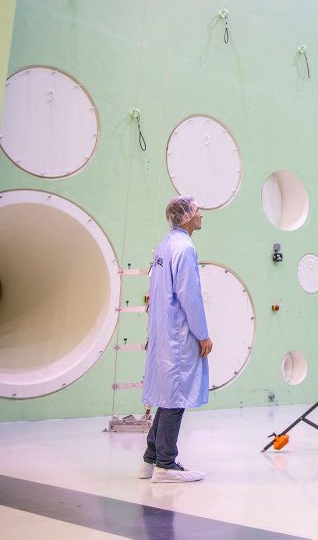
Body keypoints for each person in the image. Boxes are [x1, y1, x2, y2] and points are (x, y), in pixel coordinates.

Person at [139, 195, 213, 483]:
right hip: (178, 335)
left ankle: (150, 459)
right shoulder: (185, 248)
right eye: (197, 211)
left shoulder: (165, 245)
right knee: (175, 398)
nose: (201, 214)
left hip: (163, 331)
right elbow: (190, 297)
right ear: (186, 216)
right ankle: (166, 465)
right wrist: (203, 335)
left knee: (167, 395)